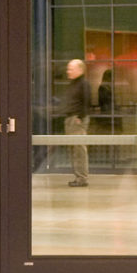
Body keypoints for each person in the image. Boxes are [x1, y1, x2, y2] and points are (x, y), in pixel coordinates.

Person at [57, 57, 95, 187]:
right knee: (73, 149)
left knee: (79, 149)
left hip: (77, 120)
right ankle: (78, 177)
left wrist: (80, 117)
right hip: (71, 119)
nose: (68, 71)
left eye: (71, 69)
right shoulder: (73, 83)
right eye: (68, 69)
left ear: (80, 70)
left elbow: (87, 102)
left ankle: (82, 178)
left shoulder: (84, 84)